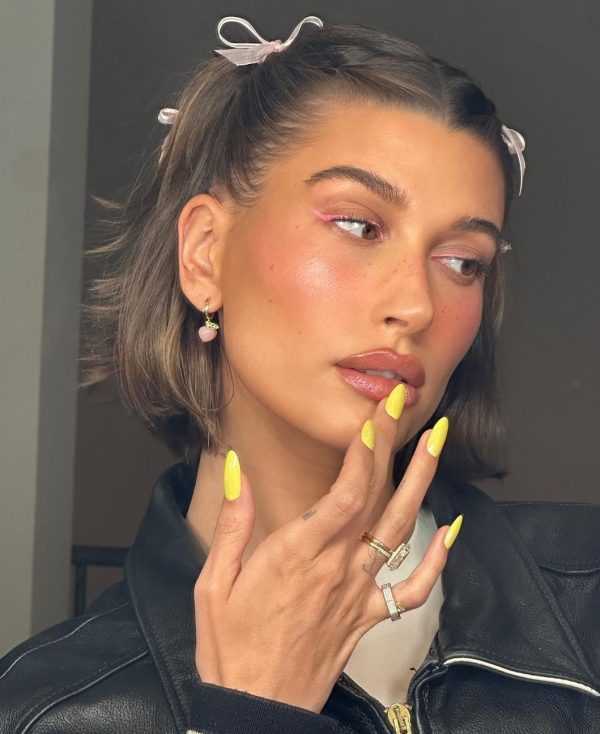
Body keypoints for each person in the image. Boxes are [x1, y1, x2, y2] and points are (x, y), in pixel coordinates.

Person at [1, 14, 599, 734]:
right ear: (205, 254)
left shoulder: (587, 596)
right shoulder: (48, 712)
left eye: (462, 262)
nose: (416, 304)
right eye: (358, 226)